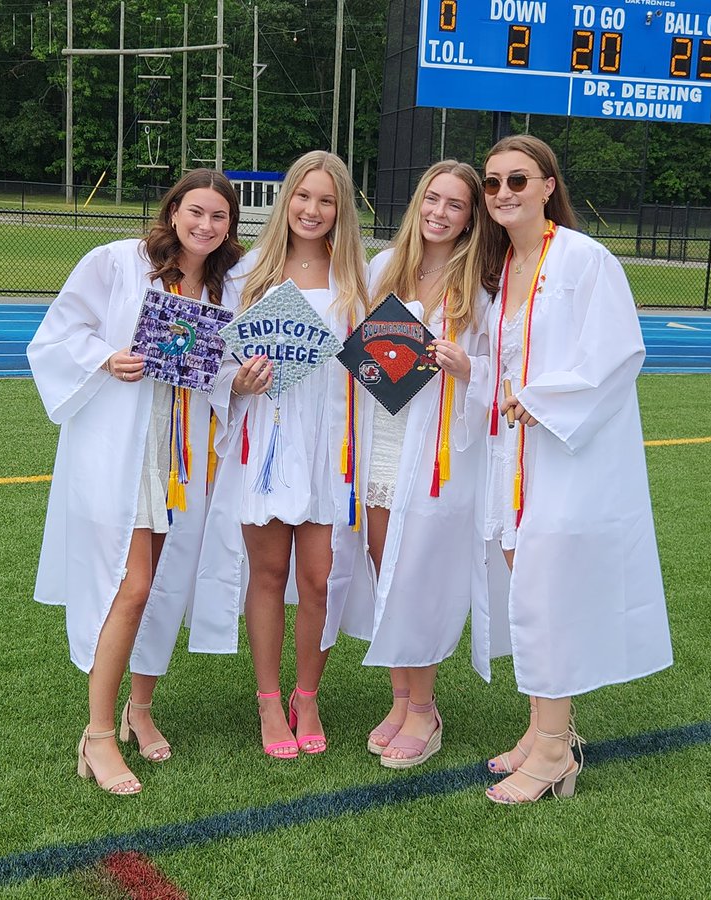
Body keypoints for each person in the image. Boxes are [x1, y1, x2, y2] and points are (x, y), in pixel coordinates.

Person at [27, 169, 243, 795]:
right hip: (122, 447)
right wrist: (107, 357)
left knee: (162, 584)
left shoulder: (223, 291)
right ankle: (97, 736)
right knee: (131, 584)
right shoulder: (118, 263)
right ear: (173, 211)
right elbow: (60, 333)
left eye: (220, 217)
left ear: (231, 226)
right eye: (195, 212)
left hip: (183, 452)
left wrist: (240, 380)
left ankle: (137, 710)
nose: (206, 225)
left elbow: (217, 369)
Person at [476, 134, 672, 804]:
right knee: (518, 576)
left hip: (566, 453)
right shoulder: (503, 268)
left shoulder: (584, 260)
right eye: (494, 182)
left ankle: (557, 753)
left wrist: (541, 398)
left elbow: (618, 351)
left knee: (546, 591)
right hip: (514, 453)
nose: (505, 192)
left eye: (518, 180)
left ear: (549, 185)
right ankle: (541, 726)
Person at [190, 150, 369, 759]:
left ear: (340, 208)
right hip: (264, 440)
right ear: (285, 200)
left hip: (328, 444)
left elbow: (376, 367)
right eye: (302, 196)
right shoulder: (246, 278)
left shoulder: (358, 283)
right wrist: (237, 382)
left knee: (319, 576)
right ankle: (270, 701)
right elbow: (214, 361)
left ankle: (308, 695)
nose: (312, 210)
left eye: (326, 200)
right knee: (267, 574)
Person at [357, 160, 493, 768]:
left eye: (455, 205)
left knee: (418, 572)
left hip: (437, 444)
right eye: (432, 199)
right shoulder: (384, 267)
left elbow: (500, 365)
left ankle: (424, 709)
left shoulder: (480, 287)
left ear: (470, 219)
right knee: (383, 565)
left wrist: (467, 367)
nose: (439, 212)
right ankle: (399, 696)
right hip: (380, 434)